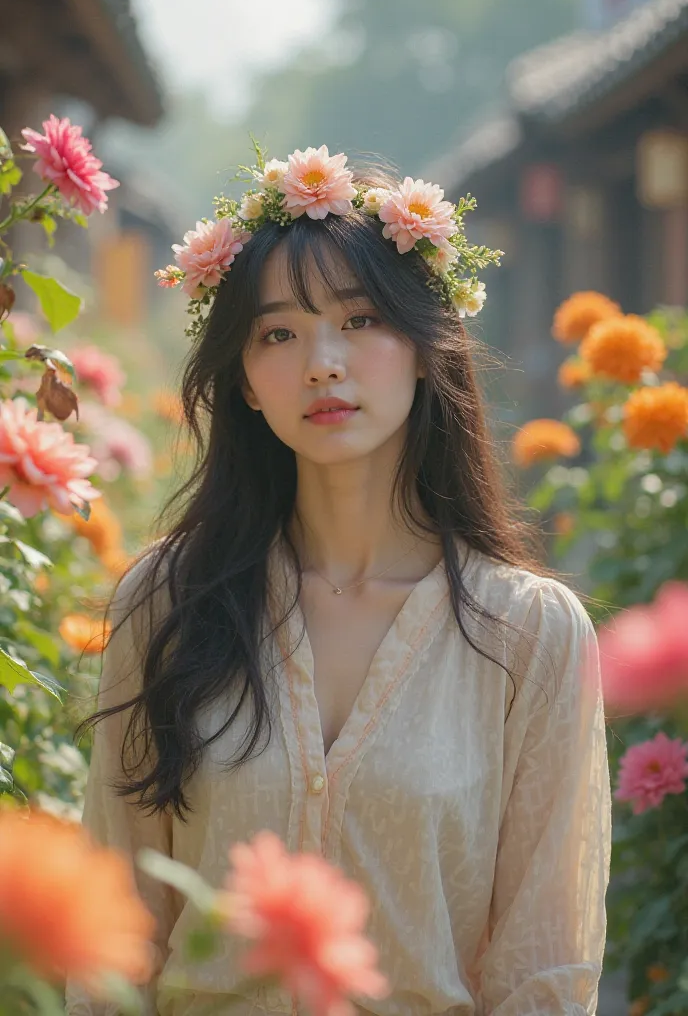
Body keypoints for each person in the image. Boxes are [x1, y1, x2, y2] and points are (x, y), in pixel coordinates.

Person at [66, 146, 611, 1016]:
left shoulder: (531, 633)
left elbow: (545, 971)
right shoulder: (165, 601)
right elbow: (117, 935)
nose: (322, 362)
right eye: (278, 332)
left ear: (429, 349)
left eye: (359, 321)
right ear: (243, 381)